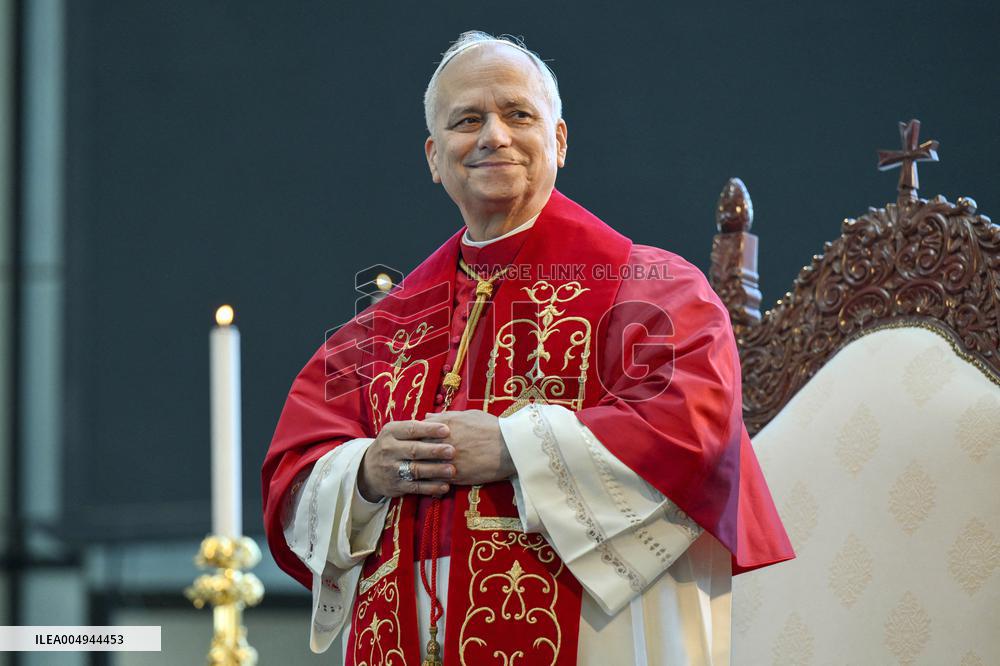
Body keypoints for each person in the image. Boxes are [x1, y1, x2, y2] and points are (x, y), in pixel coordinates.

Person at [262, 31, 793, 665]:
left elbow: (689, 428)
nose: (493, 136)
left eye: (518, 114)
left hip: (592, 632)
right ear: (435, 157)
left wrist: (516, 445)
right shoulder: (379, 330)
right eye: (467, 120)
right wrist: (368, 473)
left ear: (560, 140)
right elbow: (295, 475)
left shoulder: (654, 288)